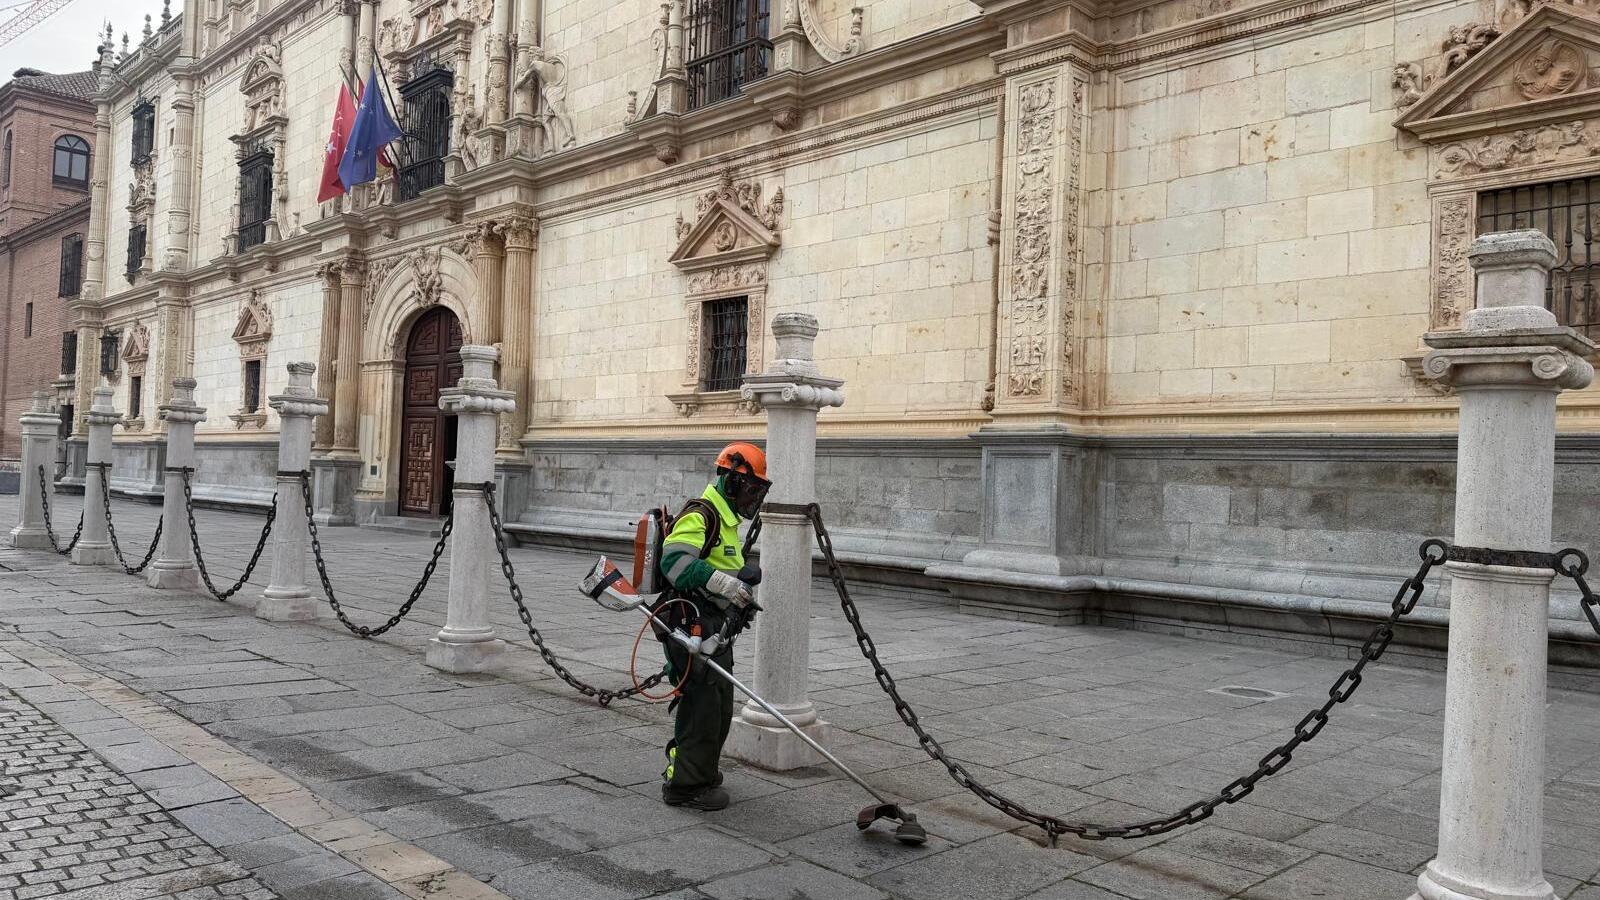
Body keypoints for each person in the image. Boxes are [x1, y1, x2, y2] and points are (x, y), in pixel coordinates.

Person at [657, 441, 770, 810]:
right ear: (731, 480)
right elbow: (673, 562)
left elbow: (719, 563)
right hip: (690, 623)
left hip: (713, 626)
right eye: (750, 488)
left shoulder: (726, 518)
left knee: (718, 706)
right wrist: (725, 584)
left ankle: (699, 768)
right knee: (701, 706)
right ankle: (685, 786)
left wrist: (740, 585)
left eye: (758, 491)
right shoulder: (702, 514)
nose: (752, 497)